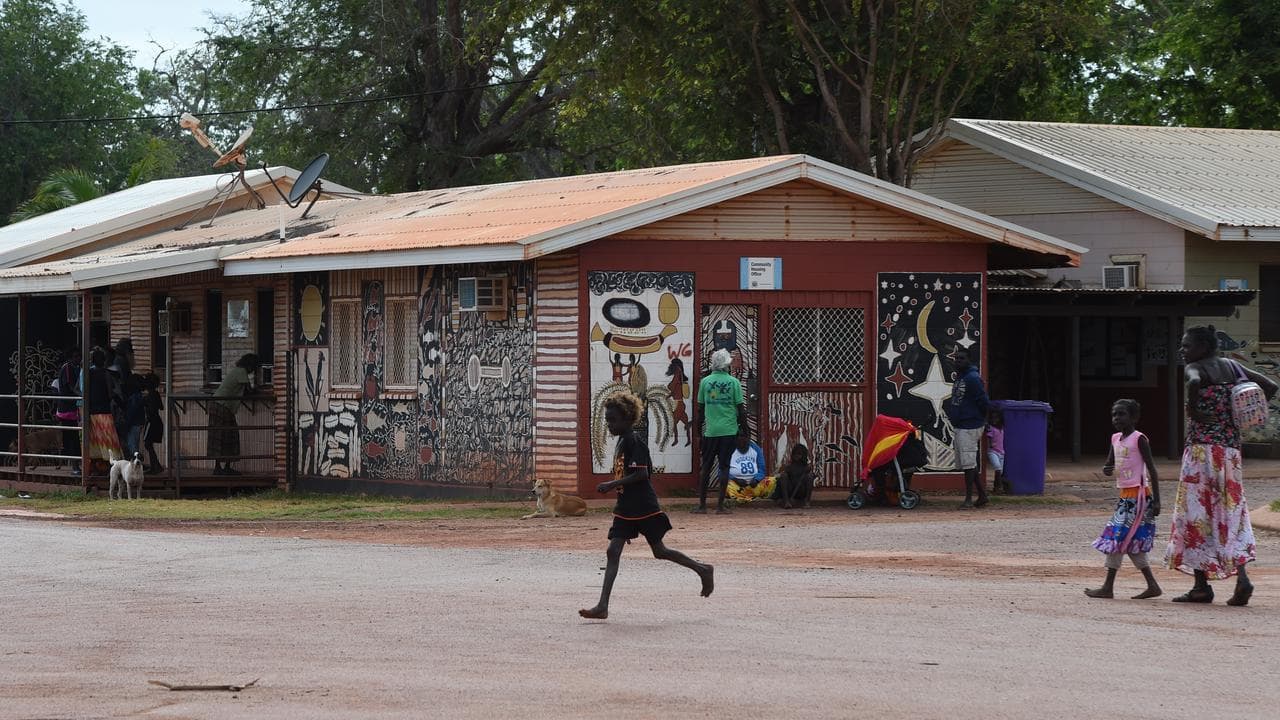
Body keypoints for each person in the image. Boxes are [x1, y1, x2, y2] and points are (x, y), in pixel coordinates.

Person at [1165, 325, 1277, 606]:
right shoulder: (1233, 367)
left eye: (1187, 345)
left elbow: (1192, 381)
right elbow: (1270, 385)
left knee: (1196, 515)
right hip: (1230, 453)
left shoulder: (1196, 368)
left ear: (1203, 347)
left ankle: (1201, 587)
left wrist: (1193, 409)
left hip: (1201, 453)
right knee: (1231, 513)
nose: (1182, 351)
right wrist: (1244, 413)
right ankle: (1242, 578)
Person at [579, 392, 714, 620]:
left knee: (660, 551)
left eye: (613, 420)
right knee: (613, 551)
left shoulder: (634, 441)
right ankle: (602, 606)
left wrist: (612, 484)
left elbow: (642, 474)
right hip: (625, 507)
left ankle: (703, 569)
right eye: (607, 420)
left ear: (627, 418)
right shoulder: (622, 441)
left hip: (643, 506)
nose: (609, 425)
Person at [1086, 399, 1162, 600]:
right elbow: (1109, 465)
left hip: (1139, 496)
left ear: (1134, 417)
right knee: (1127, 540)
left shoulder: (1139, 439)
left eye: (1121, 414)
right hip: (1125, 496)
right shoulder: (1115, 439)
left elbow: (1152, 470)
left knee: (1118, 537)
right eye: (1114, 415)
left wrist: (1157, 500)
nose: (1117, 418)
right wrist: (1107, 469)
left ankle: (1108, 587)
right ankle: (1152, 585)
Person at [693, 348, 746, 514]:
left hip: (710, 432)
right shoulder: (734, 383)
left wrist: (698, 433)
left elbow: (700, 410)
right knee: (724, 467)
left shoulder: (705, 382)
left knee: (706, 467)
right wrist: (746, 431)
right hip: (729, 431)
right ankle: (720, 506)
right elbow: (741, 410)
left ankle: (702, 506)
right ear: (726, 365)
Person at [947, 347, 990, 509]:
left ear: (969, 360)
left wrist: (980, 419)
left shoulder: (972, 378)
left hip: (970, 425)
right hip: (962, 424)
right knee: (969, 462)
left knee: (968, 463)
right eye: (956, 358)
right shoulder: (961, 377)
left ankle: (968, 499)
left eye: (962, 358)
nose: (958, 361)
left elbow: (983, 401)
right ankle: (982, 495)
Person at [209, 353, 260, 476]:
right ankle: (225, 467)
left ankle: (219, 467)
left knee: (220, 435)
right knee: (229, 435)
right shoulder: (242, 372)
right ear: (250, 365)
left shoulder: (237, 370)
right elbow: (249, 390)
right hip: (223, 405)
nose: (253, 371)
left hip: (218, 404)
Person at [85, 347, 122, 466]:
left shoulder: (89, 373)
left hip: (92, 411)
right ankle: (111, 465)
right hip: (104, 411)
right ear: (104, 360)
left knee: (95, 440)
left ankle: (96, 465)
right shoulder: (106, 373)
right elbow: (110, 393)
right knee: (109, 439)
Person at [55, 347, 82, 475]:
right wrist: (82, 395)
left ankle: (76, 465)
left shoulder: (74, 368)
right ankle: (75, 466)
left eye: (79, 356)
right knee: (72, 437)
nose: (78, 359)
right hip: (67, 409)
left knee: (73, 437)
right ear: (70, 358)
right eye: (76, 356)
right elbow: (71, 386)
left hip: (72, 408)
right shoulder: (68, 368)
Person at [725, 431, 773, 501]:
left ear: (749, 437)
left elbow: (762, 469)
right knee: (726, 486)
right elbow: (721, 471)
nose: (743, 439)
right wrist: (736, 480)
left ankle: (746, 496)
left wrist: (756, 479)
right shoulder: (728, 450)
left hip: (754, 485)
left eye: (745, 436)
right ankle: (748, 496)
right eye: (740, 436)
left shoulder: (755, 448)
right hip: (737, 486)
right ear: (735, 438)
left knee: (773, 481)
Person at [773, 442, 815, 509]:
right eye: (795, 454)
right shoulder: (789, 467)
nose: (797, 456)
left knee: (810, 476)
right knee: (783, 476)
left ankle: (807, 501)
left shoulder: (806, 468)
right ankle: (786, 501)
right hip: (790, 491)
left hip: (801, 491)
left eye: (799, 454)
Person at [141, 372, 164, 474]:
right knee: (149, 444)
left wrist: (145, 402)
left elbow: (151, 408)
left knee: (147, 443)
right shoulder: (156, 394)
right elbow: (161, 407)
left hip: (151, 421)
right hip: (157, 421)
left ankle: (155, 467)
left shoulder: (150, 395)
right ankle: (156, 466)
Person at [985, 406, 1007, 494]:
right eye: (993, 418)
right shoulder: (991, 428)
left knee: (1000, 471)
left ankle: (996, 488)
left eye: (996, 418)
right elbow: (988, 437)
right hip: (993, 451)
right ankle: (999, 487)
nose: (994, 420)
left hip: (1001, 452)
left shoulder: (1001, 428)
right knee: (997, 468)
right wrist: (990, 445)